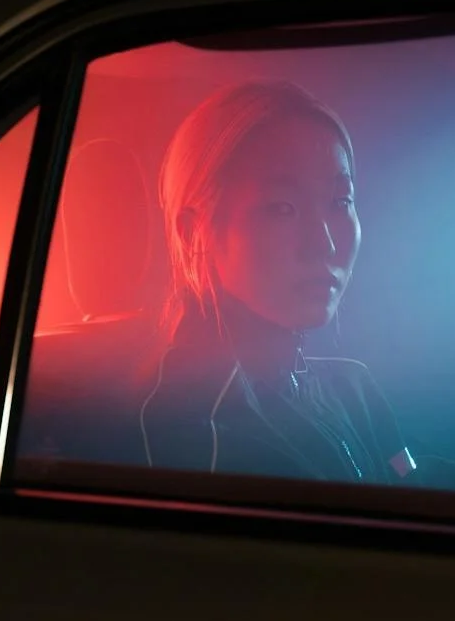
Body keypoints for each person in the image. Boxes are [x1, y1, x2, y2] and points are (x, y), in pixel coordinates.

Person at [137, 79, 437, 486]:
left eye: (340, 202)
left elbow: (414, 489)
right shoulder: (197, 428)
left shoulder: (354, 387)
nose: (324, 243)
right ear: (195, 234)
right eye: (282, 208)